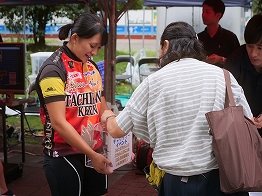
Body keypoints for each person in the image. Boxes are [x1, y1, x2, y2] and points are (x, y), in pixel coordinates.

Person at [101, 21, 252, 196]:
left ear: (165, 45)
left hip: (176, 183)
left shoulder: (154, 81)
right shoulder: (223, 76)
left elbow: (117, 130)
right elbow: (247, 119)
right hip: (223, 179)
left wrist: (108, 116)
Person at [34, 13, 113, 196]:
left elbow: (101, 106)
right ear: (75, 38)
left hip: (94, 149)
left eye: (99, 48)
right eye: (92, 46)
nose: (94, 52)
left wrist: (115, 129)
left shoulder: (91, 67)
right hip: (64, 154)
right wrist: (93, 155)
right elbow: (59, 123)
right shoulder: (53, 70)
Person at [224, 14, 262, 137]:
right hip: (241, 130)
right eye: (249, 46)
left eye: (260, 48)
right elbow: (225, 97)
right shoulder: (235, 61)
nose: (253, 53)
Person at [197, 0, 240, 67]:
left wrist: (220, 59)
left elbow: (238, 62)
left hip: (224, 76)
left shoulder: (230, 38)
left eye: (207, 12)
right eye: (203, 11)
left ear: (218, 15)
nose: (203, 15)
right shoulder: (198, 38)